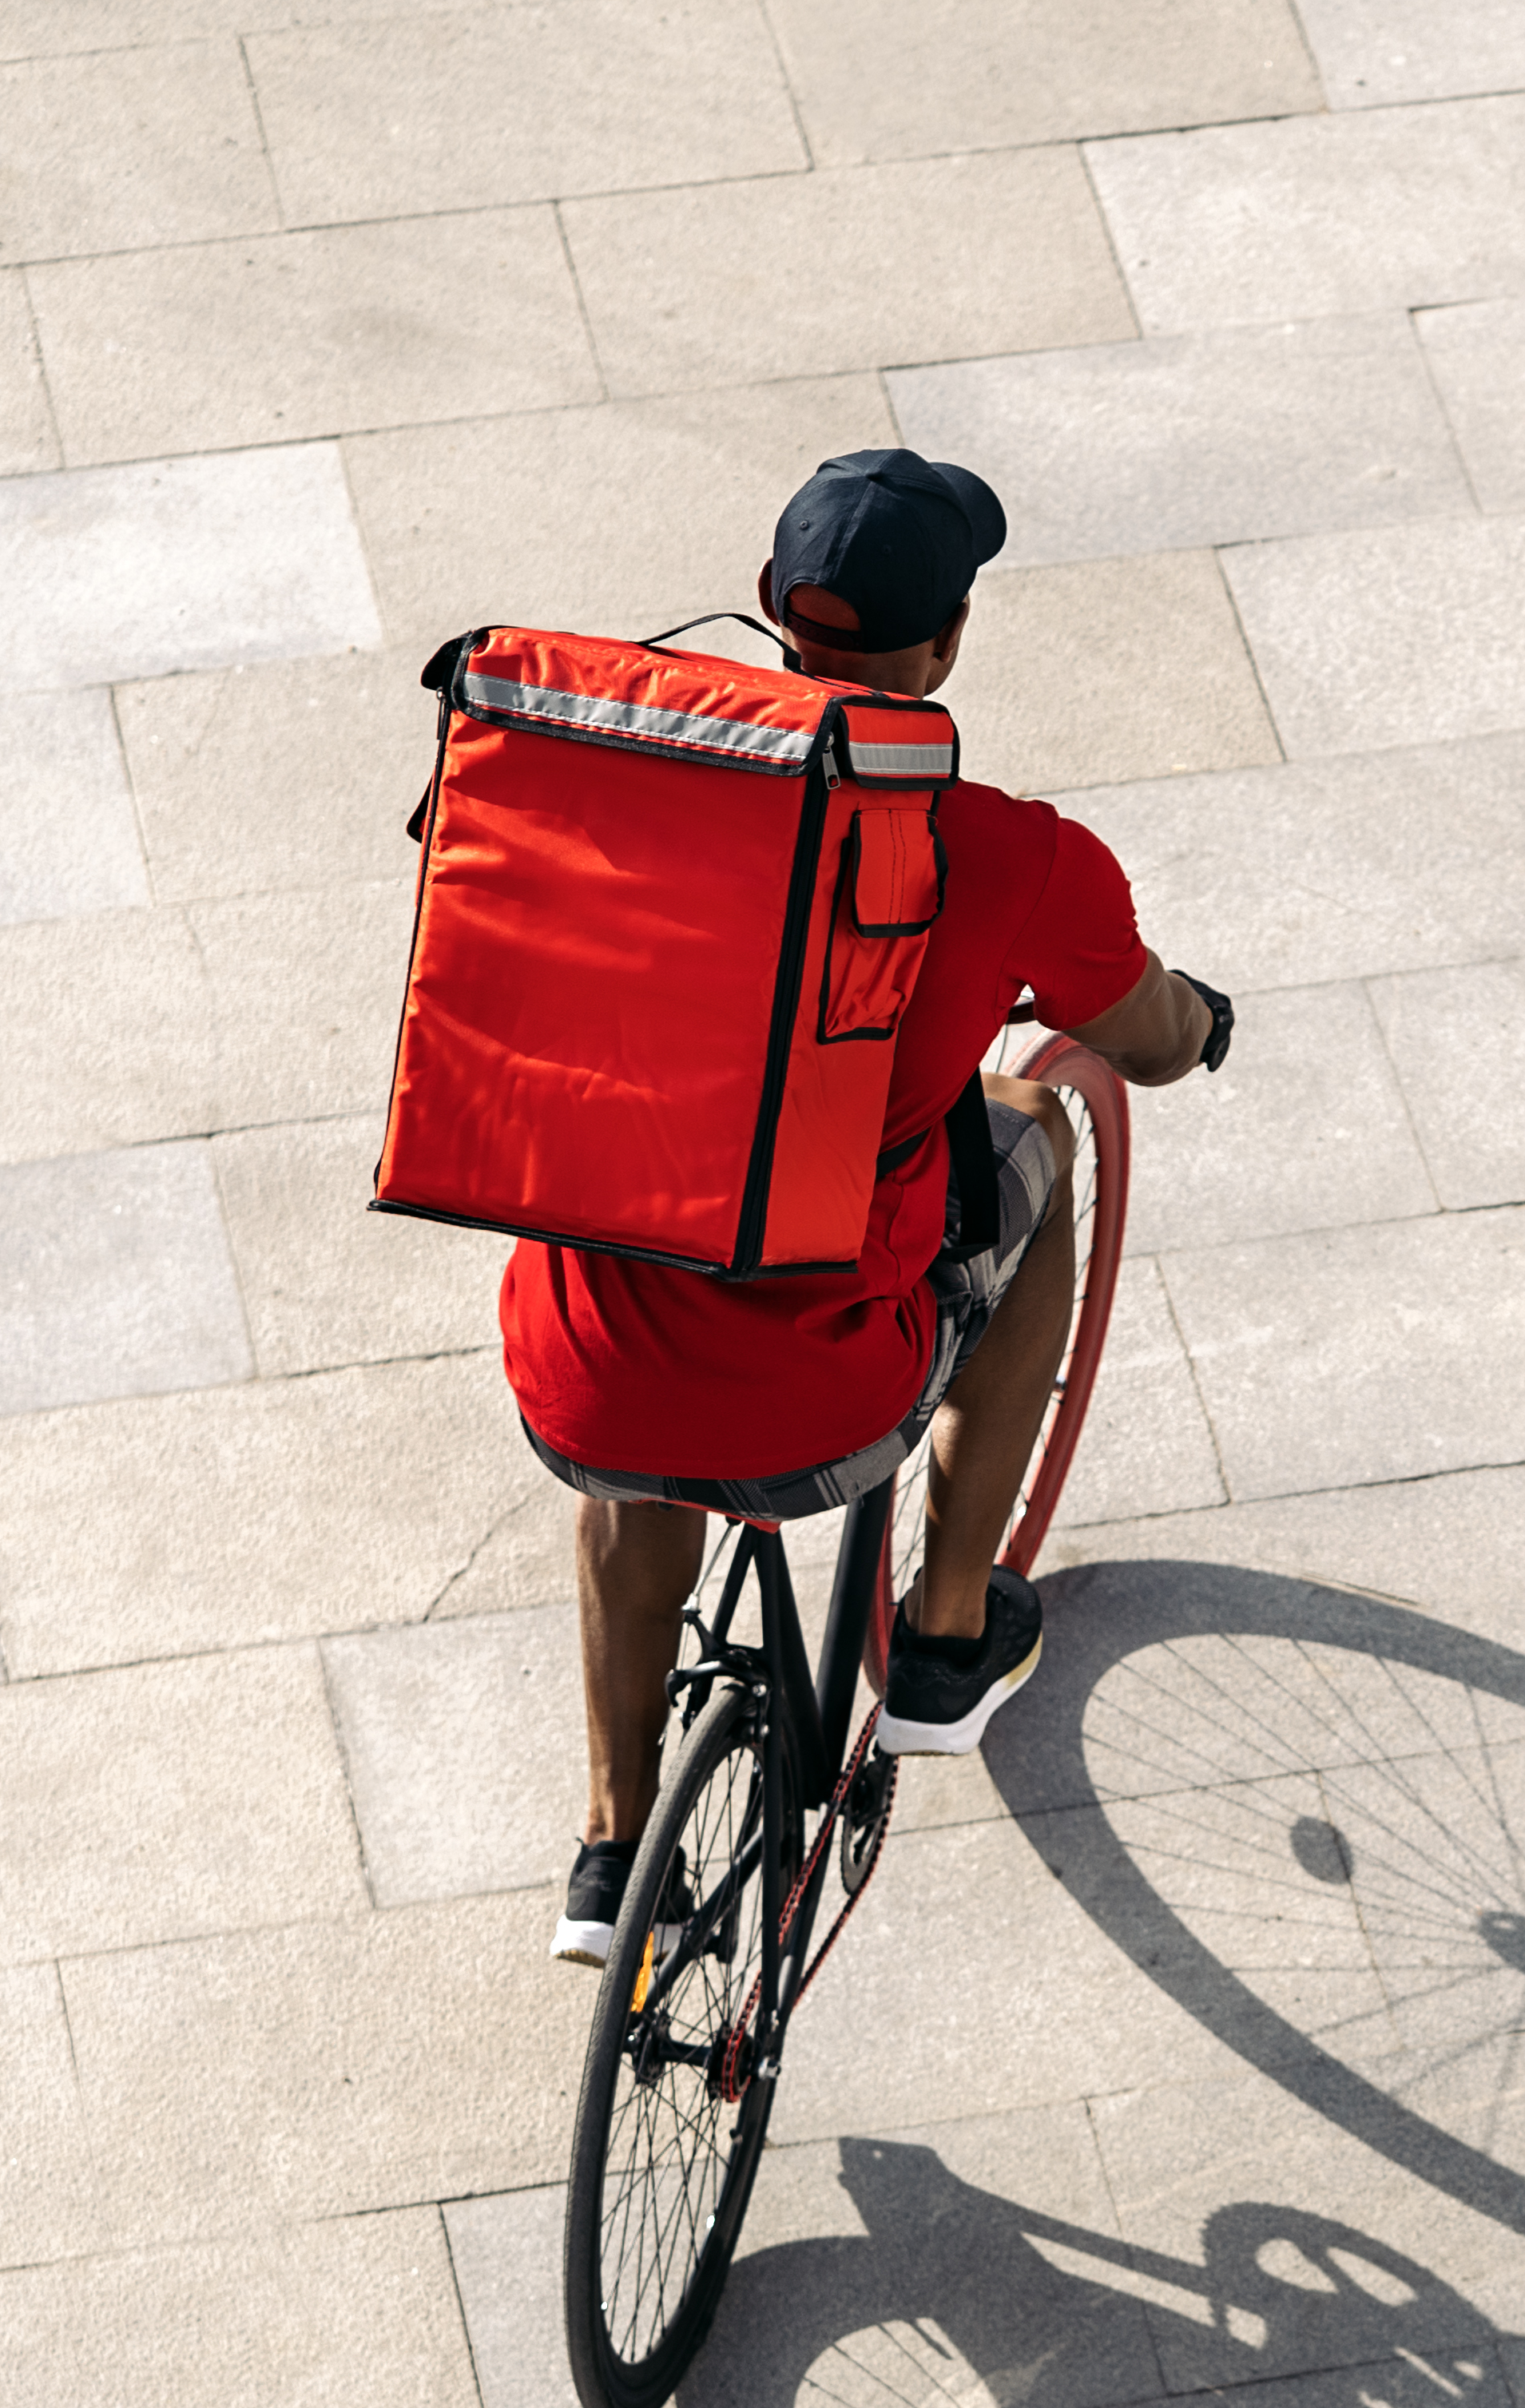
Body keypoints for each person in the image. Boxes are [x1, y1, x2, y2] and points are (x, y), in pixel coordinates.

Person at [507, 449, 1225, 1966]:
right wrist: (1199, 1021)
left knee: (633, 1395)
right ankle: (949, 1637)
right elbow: (1148, 1043)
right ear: (948, 644)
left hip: (581, 1372)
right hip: (830, 1392)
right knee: (1036, 1134)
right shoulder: (1014, 854)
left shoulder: (618, 785)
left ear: (773, 609)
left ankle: (609, 1846)